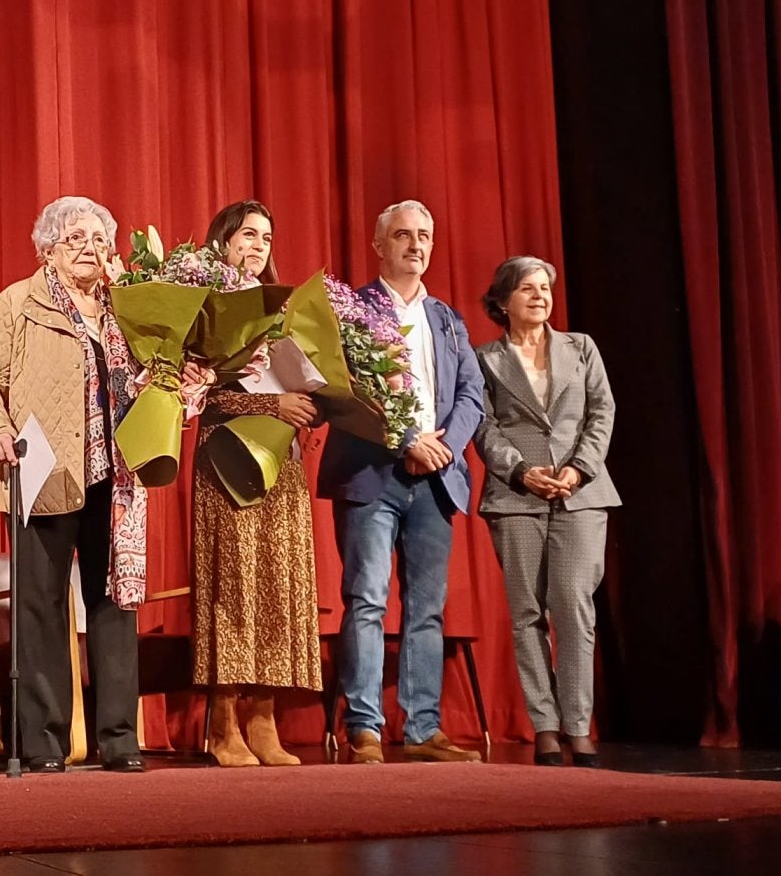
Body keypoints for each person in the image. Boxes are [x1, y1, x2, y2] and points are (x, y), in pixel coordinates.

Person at [0, 197, 176, 773]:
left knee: (114, 605)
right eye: (74, 238)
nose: (89, 248)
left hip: (118, 476)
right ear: (47, 251)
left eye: (99, 238)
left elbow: (165, 375)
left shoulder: (127, 309)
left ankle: (121, 739)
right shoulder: (18, 305)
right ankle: (44, 742)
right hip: (43, 469)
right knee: (41, 607)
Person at [317, 199, 485, 764]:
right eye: (404, 236)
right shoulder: (352, 311)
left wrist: (441, 448)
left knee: (427, 607)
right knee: (365, 600)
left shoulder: (448, 319)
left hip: (436, 481)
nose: (417, 245)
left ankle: (422, 728)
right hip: (371, 477)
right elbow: (342, 392)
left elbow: (471, 395)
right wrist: (405, 439)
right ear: (379, 245)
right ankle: (363, 727)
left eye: (425, 236)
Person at [475, 256, 620, 767]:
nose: (539, 296)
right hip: (517, 497)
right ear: (502, 301)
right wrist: (518, 471)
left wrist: (579, 468)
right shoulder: (485, 358)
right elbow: (484, 426)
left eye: (545, 288)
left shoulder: (581, 348)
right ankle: (546, 727)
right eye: (526, 289)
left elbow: (602, 411)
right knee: (527, 612)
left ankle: (578, 724)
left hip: (581, 493)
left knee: (573, 603)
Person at [192, 200, 321, 766]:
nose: (258, 245)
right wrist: (274, 400)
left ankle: (264, 717)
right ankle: (223, 724)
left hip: (282, 464)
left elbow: (310, 380)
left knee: (279, 587)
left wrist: (313, 404)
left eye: (267, 238)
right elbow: (200, 395)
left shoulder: (286, 312)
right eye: (248, 234)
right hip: (227, 463)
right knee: (235, 588)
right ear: (223, 241)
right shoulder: (203, 307)